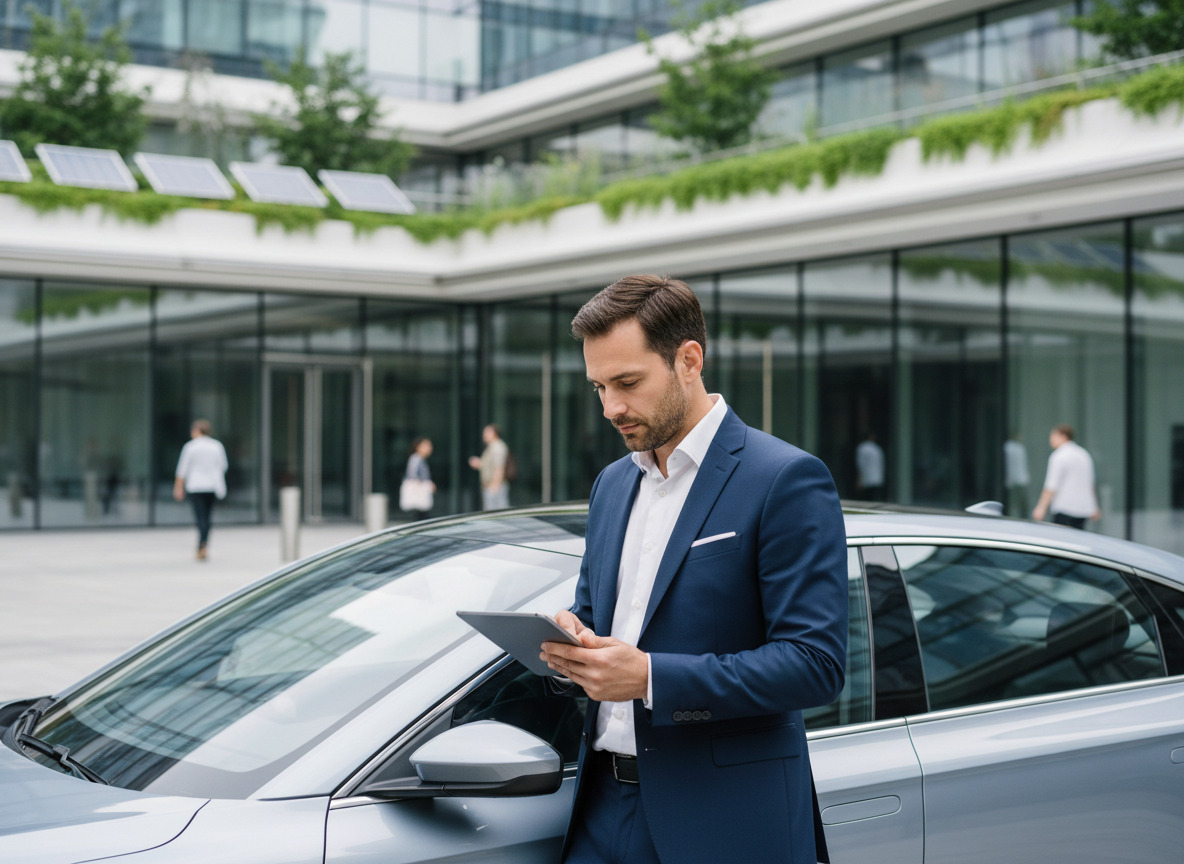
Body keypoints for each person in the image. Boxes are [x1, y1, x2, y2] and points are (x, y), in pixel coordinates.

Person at [541, 274, 848, 864]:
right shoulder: (611, 483)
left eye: (627, 383)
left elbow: (816, 664)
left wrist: (651, 678)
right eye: (598, 387)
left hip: (724, 823)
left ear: (688, 360)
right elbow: (594, 611)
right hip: (600, 811)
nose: (611, 408)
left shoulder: (784, 479)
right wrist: (571, 636)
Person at [173, 419, 228, 560]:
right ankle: (204, 543)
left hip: (196, 486)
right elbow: (223, 466)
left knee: (200, 517)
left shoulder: (190, 447)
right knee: (207, 517)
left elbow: (182, 469)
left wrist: (178, 488)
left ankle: (201, 544)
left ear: (198, 431)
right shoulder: (217, 446)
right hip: (212, 486)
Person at [1032, 424, 1099, 530]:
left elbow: (1051, 485)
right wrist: (1094, 506)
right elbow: (1090, 483)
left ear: (1063, 436)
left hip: (1065, 508)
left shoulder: (1059, 456)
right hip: (1083, 509)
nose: (1051, 439)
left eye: (1053, 436)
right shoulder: (1083, 454)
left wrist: (1041, 508)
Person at [468, 423, 510, 510]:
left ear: (494, 433)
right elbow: (490, 465)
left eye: (487, 433)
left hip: (494, 486)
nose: (484, 435)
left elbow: (499, 467)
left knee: (497, 515)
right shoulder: (491, 447)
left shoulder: (498, 447)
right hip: (490, 486)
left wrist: (494, 487)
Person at [401, 437, 436, 520]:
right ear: (418, 447)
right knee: (420, 515)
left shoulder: (419, 459)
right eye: (426, 446)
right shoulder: (416, 459)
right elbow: (412, 475)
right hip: (418, 492)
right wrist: (427, 483)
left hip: (419, 493)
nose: (429, 448)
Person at [1004, 431, 1030, 518]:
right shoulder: (1011, 447)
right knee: (1017, 503)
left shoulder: (1016, 447)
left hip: (1016, 480)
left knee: (1017, 504)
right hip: (1017, 480)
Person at [855, 431, 885, 500]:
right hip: (876, 478)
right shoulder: (877, 448)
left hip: (867, 478)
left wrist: (859, 479)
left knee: (867, 497)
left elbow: (860, 464)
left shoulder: (862, 448)